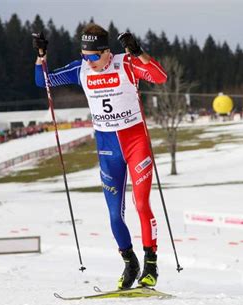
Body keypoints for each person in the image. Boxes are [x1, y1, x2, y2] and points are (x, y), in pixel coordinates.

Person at [33, 23, 167, 289]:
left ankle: (150, 263)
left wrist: (138, 51)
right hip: (107, 148)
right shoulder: (81, 69)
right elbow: (43, 81)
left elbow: (159, 77)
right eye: (85, 55)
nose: (90, 61)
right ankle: (130, 262)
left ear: (107, 52)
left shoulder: (126, 64)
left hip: (135, 142)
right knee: (115, 215)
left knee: (141, 204)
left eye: (94, 56)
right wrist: (41, 56)